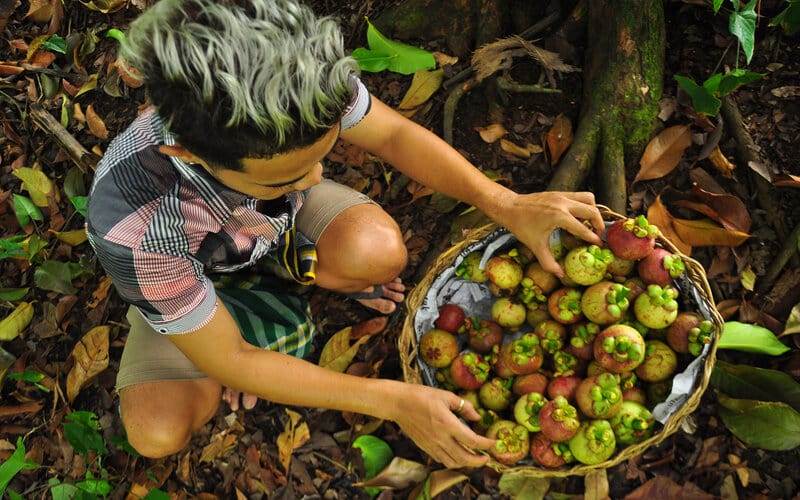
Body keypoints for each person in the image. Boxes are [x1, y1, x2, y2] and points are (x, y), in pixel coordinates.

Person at [86, 0, 604, 469]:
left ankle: (260, 298)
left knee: (376, 253)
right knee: (157, 431)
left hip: (268, 228)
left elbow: (395, 134)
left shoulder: (303, 80)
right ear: (191, 156)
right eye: (287, 175)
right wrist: (392, 400)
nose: (314, 179)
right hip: (189, 265)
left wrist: (505, 203)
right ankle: (208, 322)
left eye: (321, 157)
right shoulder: (137, 229)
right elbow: (235, 361)